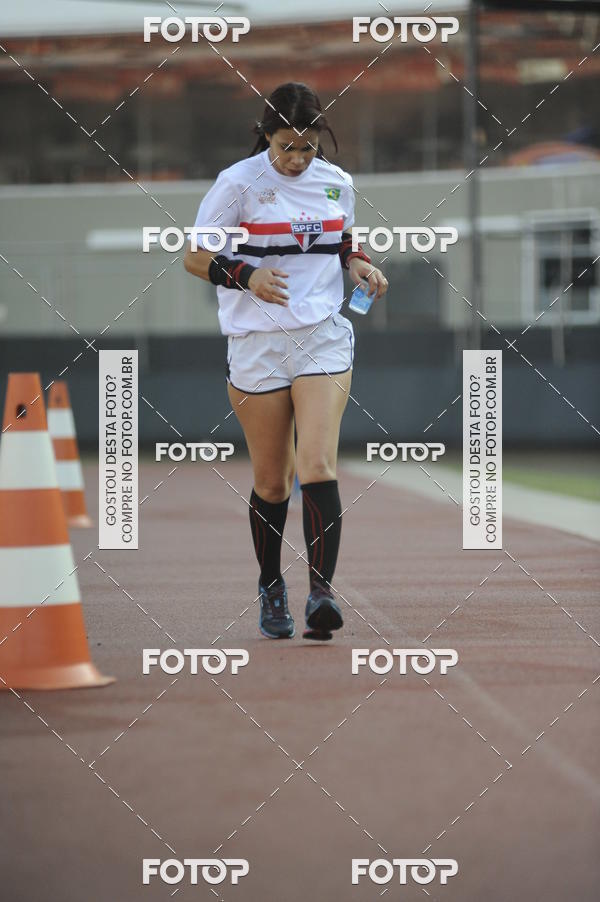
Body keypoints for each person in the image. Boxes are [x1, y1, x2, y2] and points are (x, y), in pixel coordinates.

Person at [184, 82, 387, 641]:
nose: (296, 158)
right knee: (272, 483)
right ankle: (271, 587)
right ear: (265, 136)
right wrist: (246, 275)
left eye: (306, 145)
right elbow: (194, 257)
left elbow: (344, 244)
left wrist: (362, 266)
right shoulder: (237, 183)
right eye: (285, 146)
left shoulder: (337, 183)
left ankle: (321, 593)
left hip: (322, 335)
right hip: (256, 343)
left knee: (317, 465)